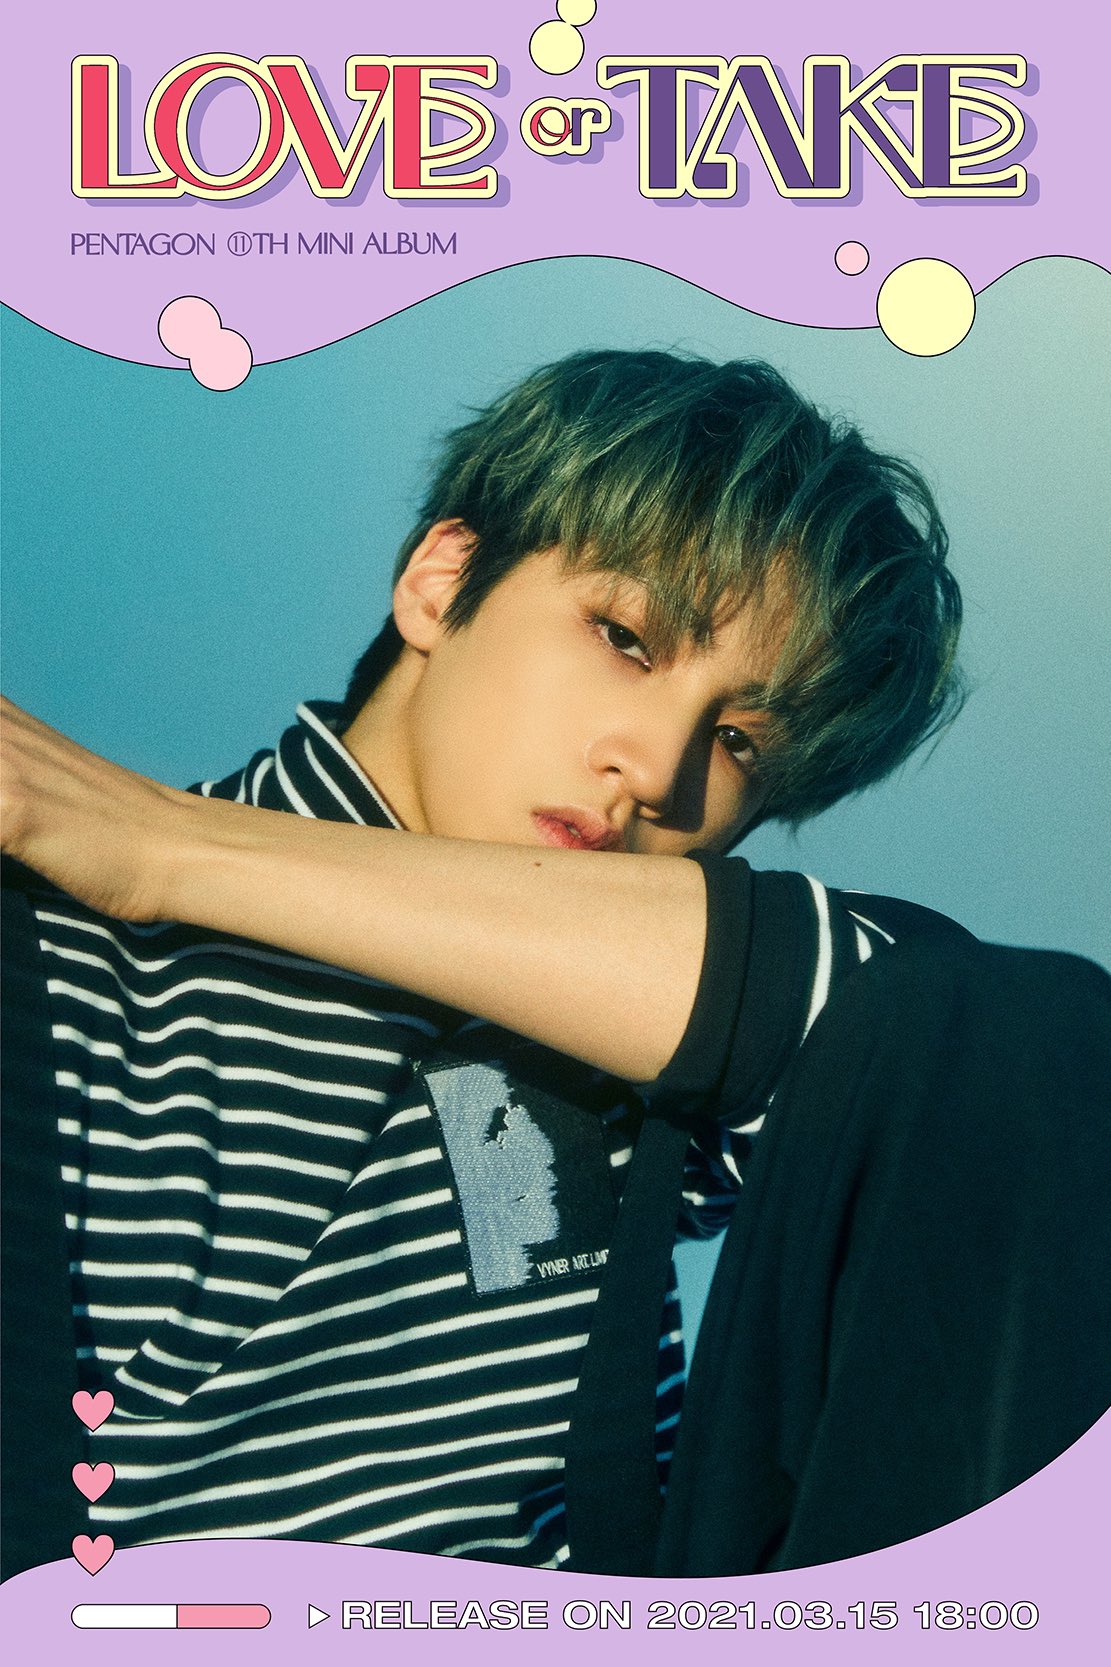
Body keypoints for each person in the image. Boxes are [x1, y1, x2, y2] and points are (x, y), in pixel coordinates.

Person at [2, 351, 1108, 1580]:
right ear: (441, 583)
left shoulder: (629, 1065)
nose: (658, 766)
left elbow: (965, 1049)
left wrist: (168, 845)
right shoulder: (50, 951)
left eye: (739, 741)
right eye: (625, 637)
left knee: (1027, 1026)